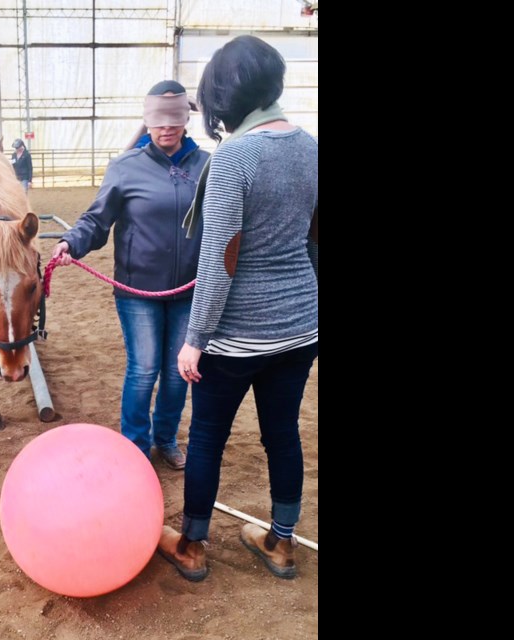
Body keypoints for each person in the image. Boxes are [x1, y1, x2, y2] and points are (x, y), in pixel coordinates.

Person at [155, 36, 318, 581]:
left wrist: (195, 337)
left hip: (238, 335)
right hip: (300, 327)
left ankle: (193, 546)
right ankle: (282, 541)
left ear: (225, 92)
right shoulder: (313, 147)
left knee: (205, 437)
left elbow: (220, 260)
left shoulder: (233, 158)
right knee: (282, 433)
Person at [51, 80, 210, 470]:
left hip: (189, 291)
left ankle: (166, 439)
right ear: (147, 120)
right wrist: (72, 242)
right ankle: (135, 446)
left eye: (174, 119)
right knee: (143, 370)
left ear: (186, 119)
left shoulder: (208, 165)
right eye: (159, 120)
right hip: (137, 292)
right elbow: (96, 220)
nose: (167, 128)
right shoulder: (125, 168)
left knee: (178, 374)